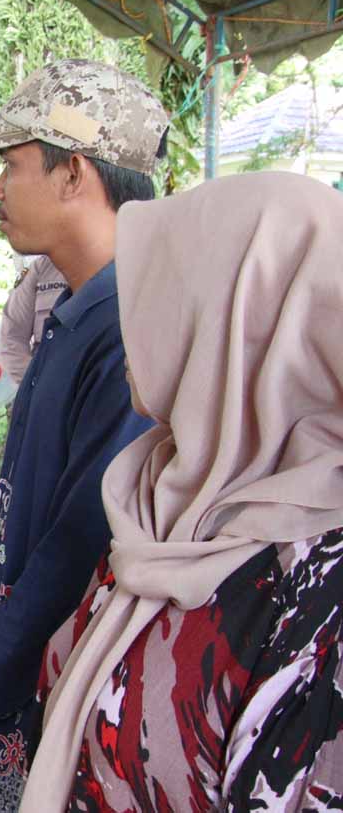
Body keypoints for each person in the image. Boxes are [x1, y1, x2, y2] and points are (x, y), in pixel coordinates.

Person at [23, 172, 343, 809]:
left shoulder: (319, 589)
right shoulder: (164, 491)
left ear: (236, 328)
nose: (135, 327)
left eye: (163, 300)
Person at [0, 59, 168, 811]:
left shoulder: (131, 329)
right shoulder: (80, 309)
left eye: (12, 164)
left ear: (73, 173)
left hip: (58, 693)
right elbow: (15, 526)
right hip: (10, 679)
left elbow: (75, 549)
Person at [0, 255, 66, 383]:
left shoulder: (112, 263)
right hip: (46, 387)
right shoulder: (42, 268)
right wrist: (39, 385)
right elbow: (11, 338)